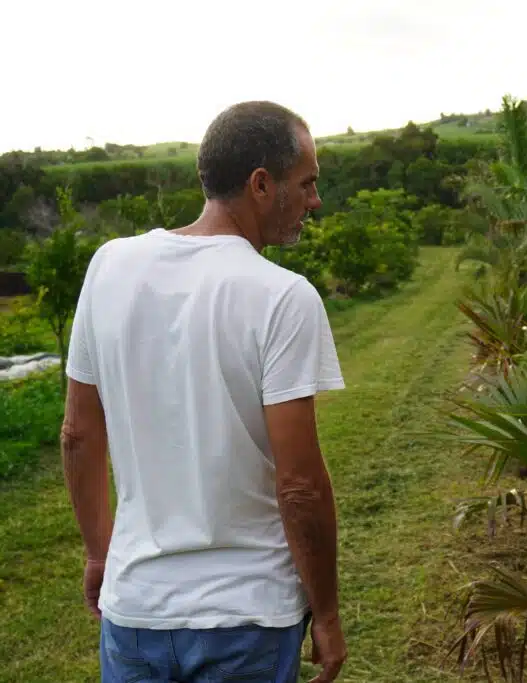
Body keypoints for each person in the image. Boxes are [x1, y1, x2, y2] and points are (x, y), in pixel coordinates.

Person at [60, 101, 348, 683]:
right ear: (261, 184)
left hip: (134, 611)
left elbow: (78, 434)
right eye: (308, 182)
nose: (316, 200)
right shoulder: (283, 297)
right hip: (248, 618)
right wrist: (329, 612)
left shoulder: (109, 266)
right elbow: (299, 485)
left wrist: (99, 553)